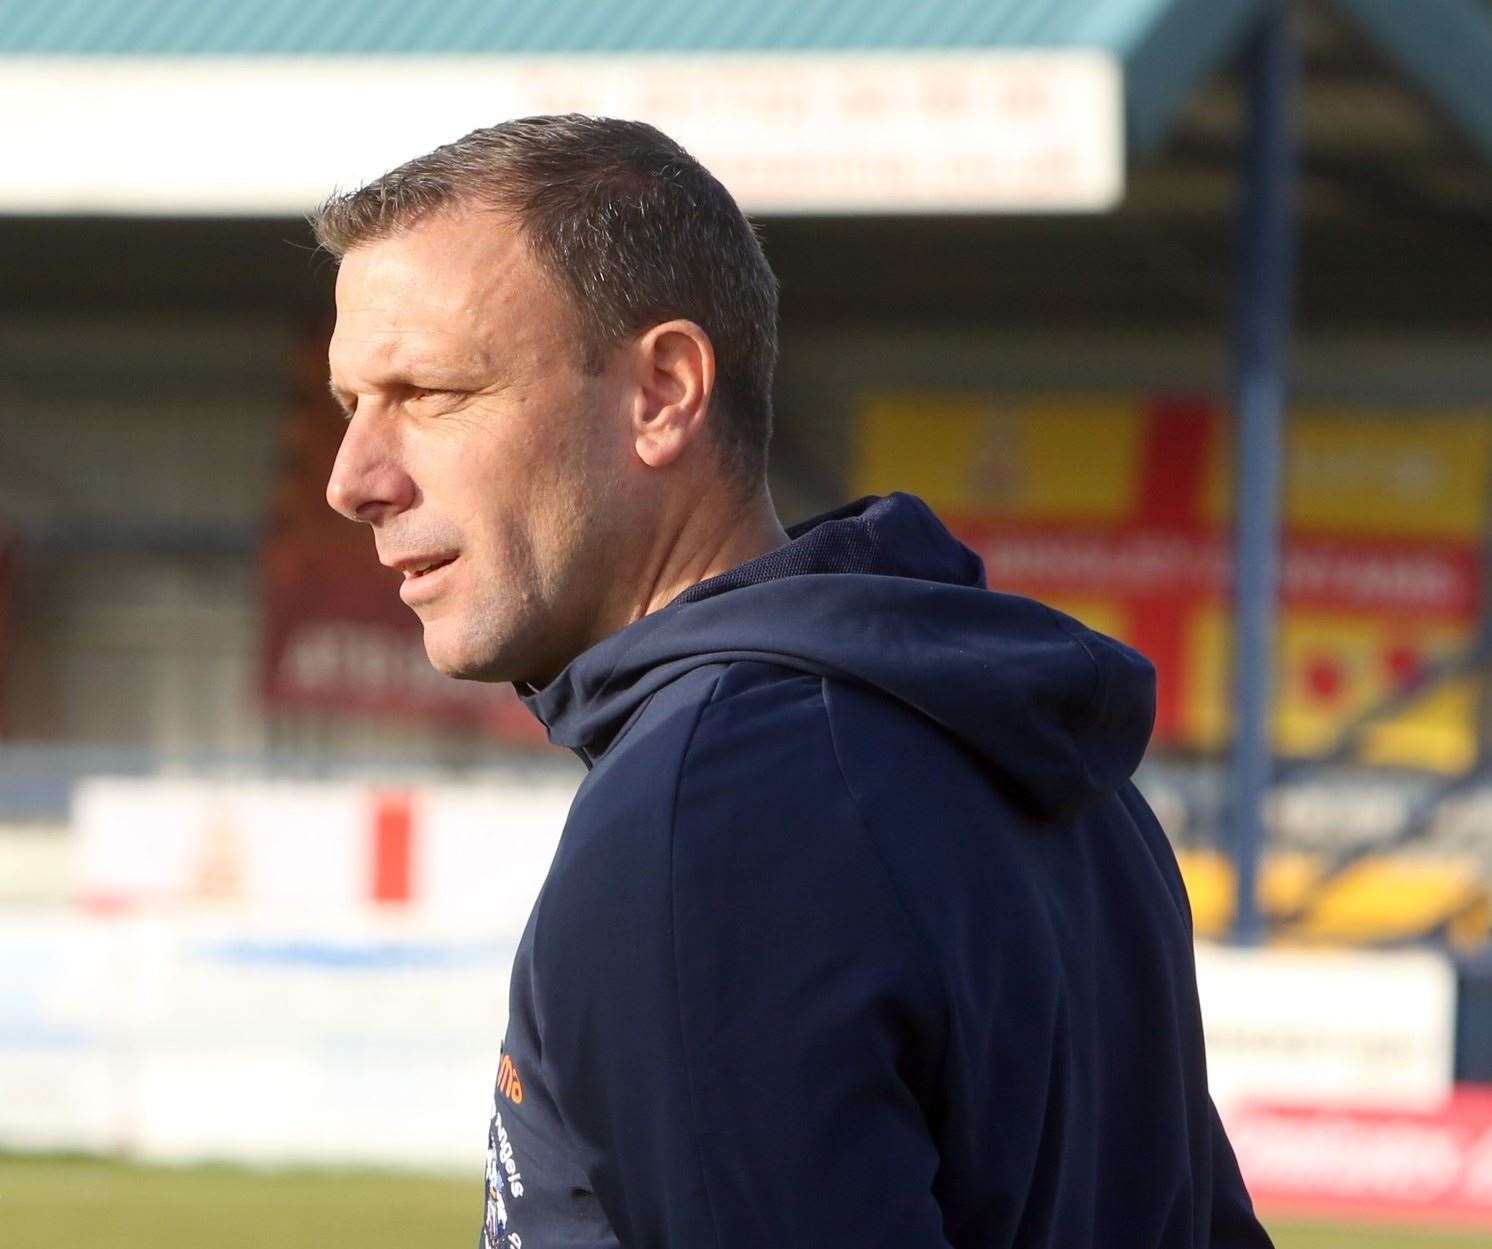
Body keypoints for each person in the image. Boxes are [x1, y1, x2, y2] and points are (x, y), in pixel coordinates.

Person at [318, 115, 1271, 1249]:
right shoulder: (1037, 755)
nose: (354, 479)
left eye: (429, 392)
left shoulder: (709, 814)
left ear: (663, 391)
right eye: (347, 407)